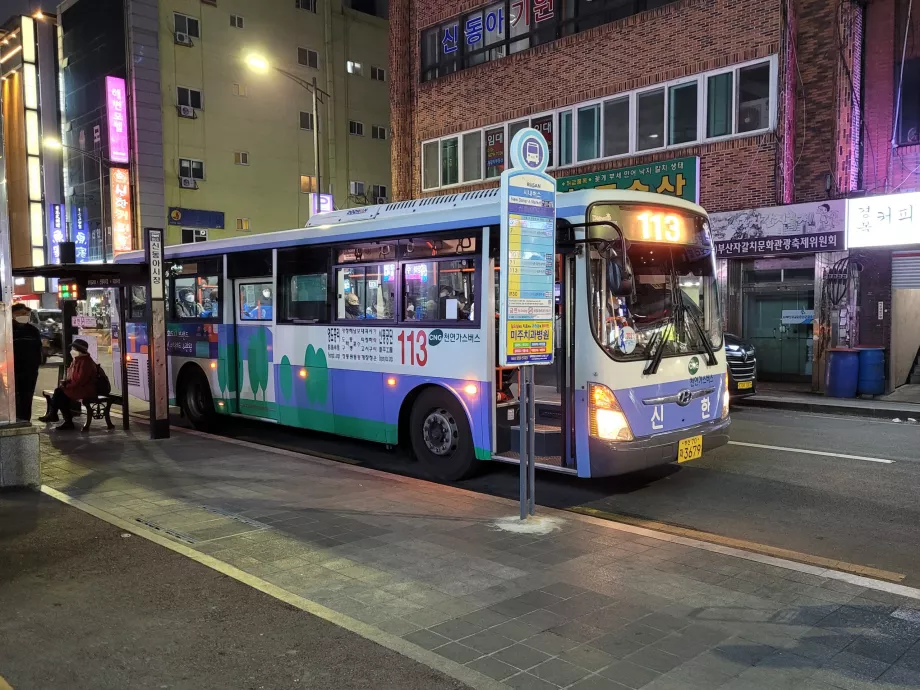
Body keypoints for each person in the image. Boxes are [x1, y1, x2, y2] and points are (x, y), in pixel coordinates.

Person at [39, 338, 98, 431]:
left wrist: (67, 386)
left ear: (80, 350)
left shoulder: (86, 362)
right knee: (59, 393)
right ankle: (58, 417)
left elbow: (80, 380)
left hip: (85, 389)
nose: (72, 351)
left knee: (60, 394)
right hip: (77, 387)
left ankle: (57, 416)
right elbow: (71, 377)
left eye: (74, 349)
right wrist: (66, 383)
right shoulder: (77, 360)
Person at [12, 304, 42, 422]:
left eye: (26, 314)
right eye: (21, 314)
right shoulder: (7, 329)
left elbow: (38, 350)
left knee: (27, 397)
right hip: (12, 371)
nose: (25, 316)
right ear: (13, 315)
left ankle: (25, 421)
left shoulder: (33, 330)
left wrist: (36, 365)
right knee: (12, 398)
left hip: (30, 371)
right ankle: (14, 420)